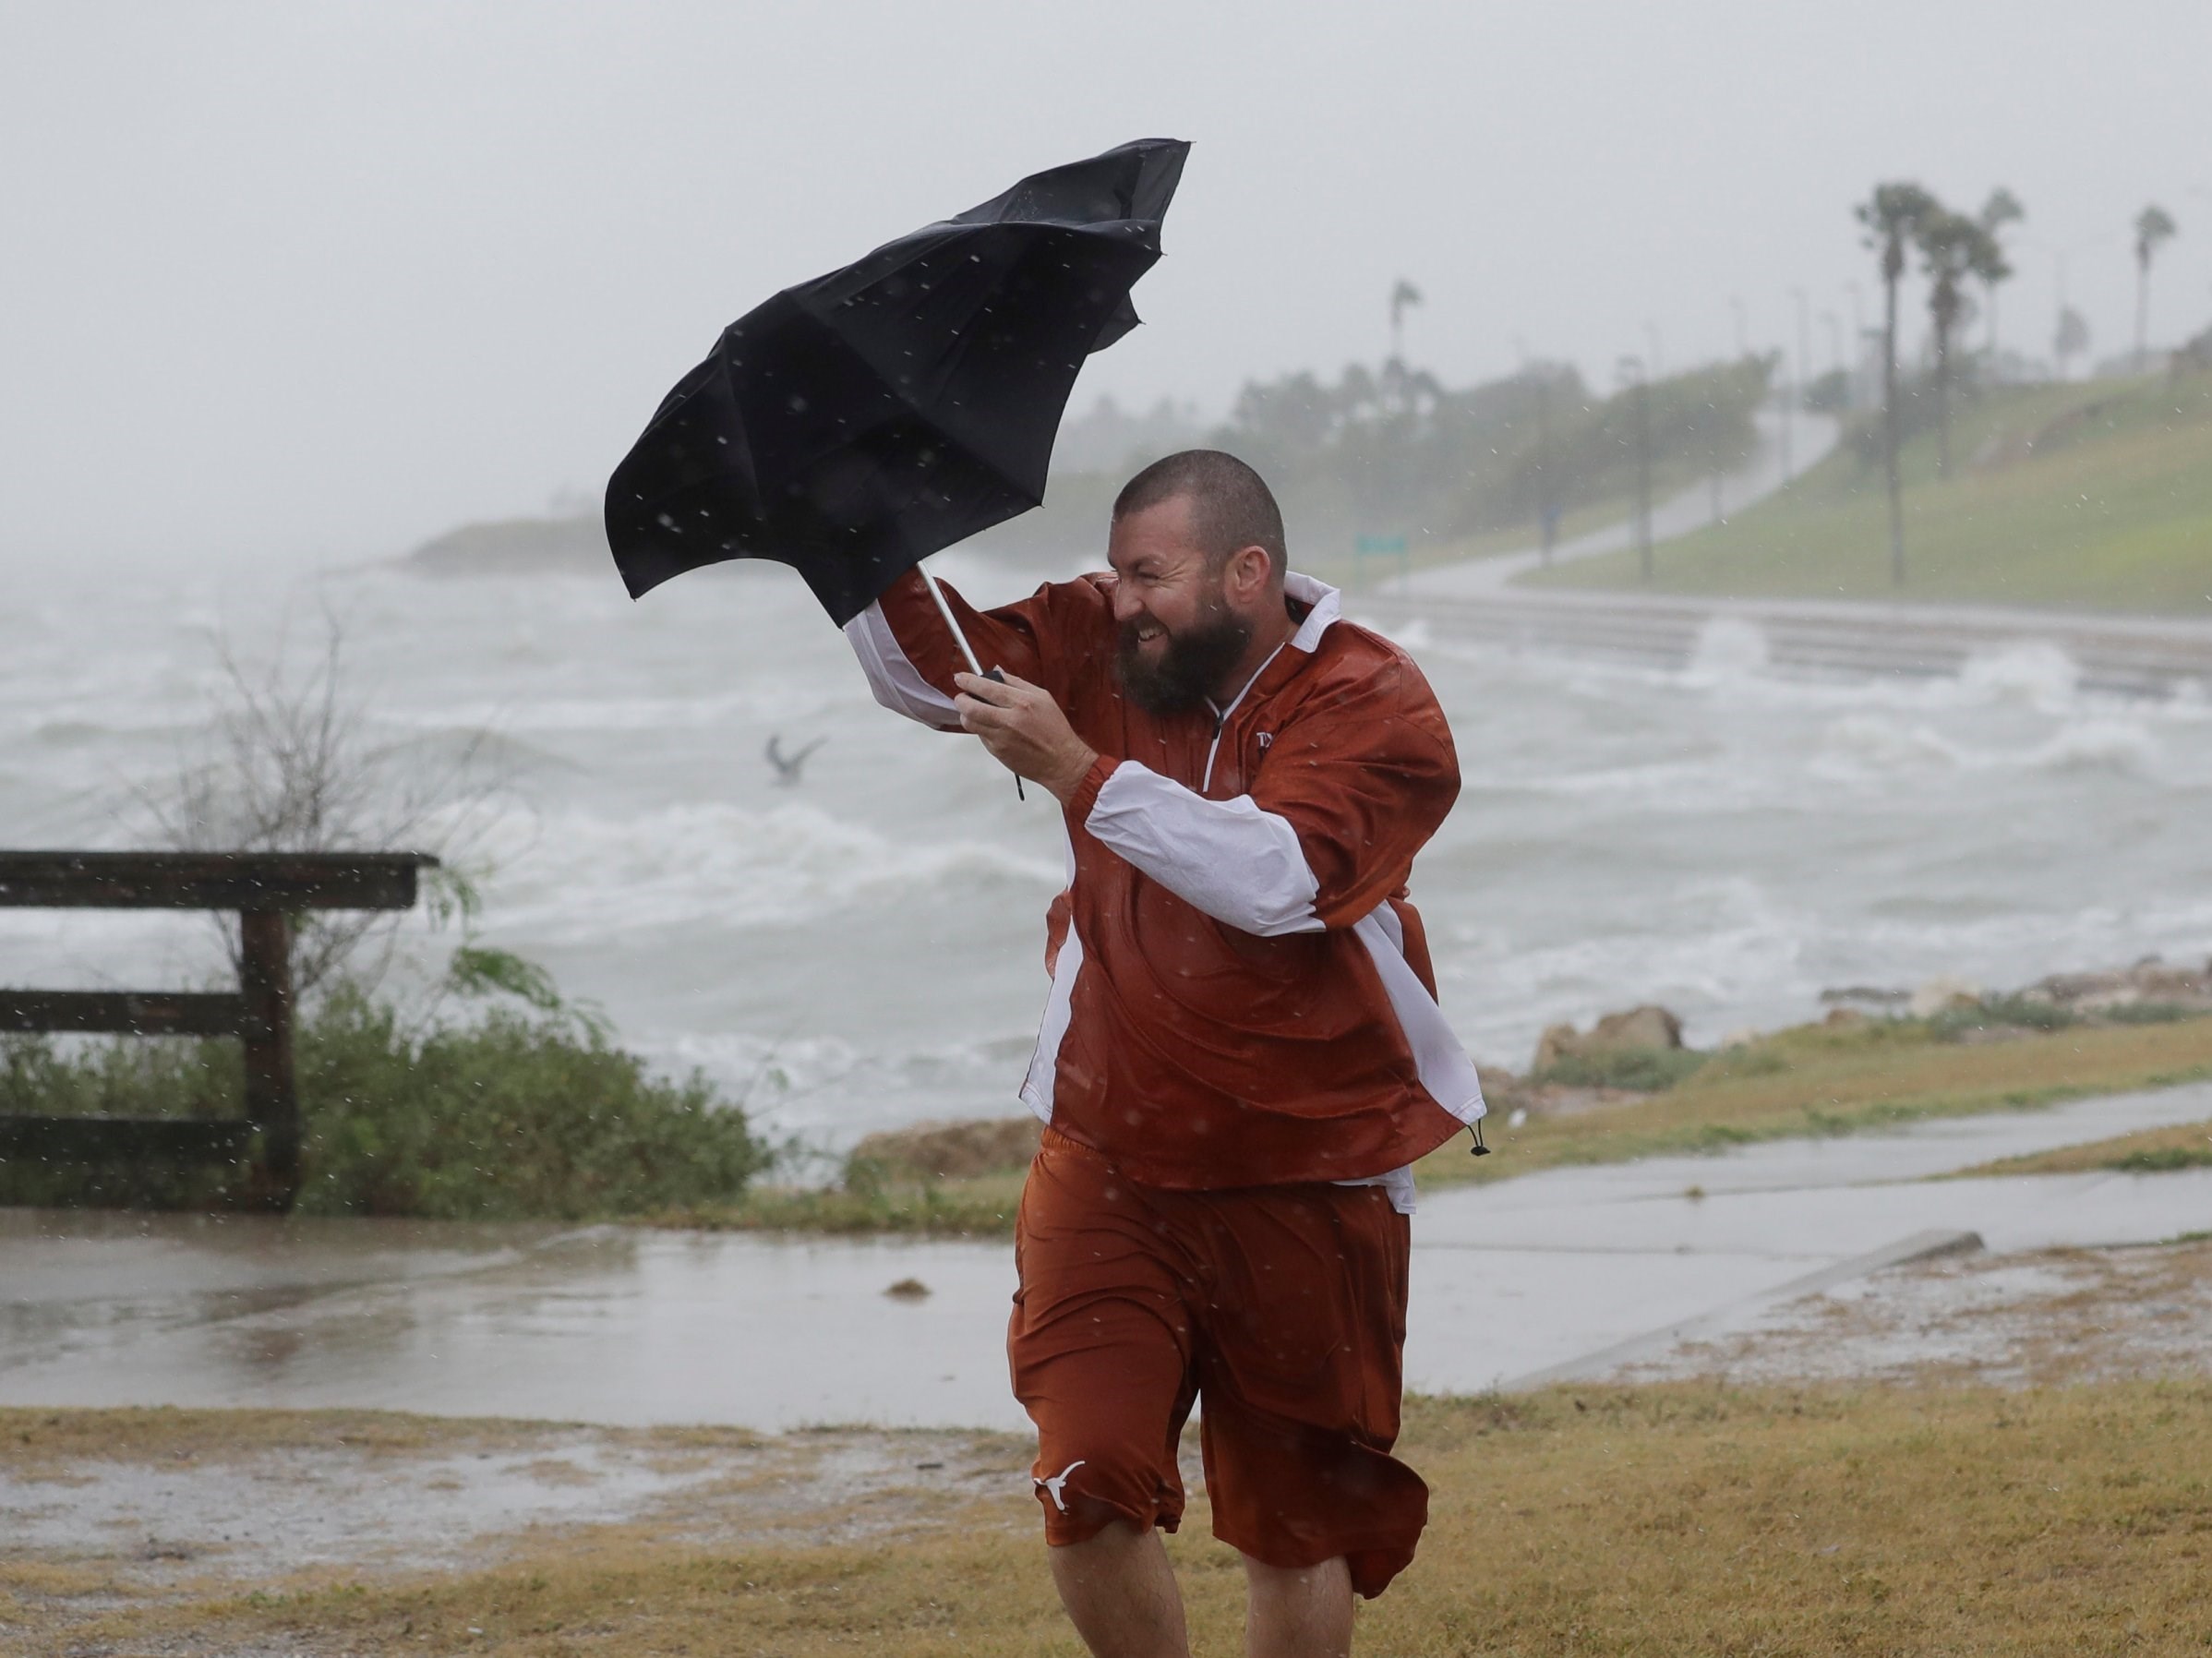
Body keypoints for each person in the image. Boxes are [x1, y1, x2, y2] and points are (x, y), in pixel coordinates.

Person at [843, 450, 1484, 1658]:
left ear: (1248, 573)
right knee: (1085, 1483)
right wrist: (850, 530)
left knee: (1295, 1526)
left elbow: (1284, 878)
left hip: (1311, 1165)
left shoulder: (1374, 699)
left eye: (1151, 575)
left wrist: (1081, 774)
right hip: (1110, 1151)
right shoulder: (1099, 638)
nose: (1123, 600)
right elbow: (936, 677)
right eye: (1117, 572)